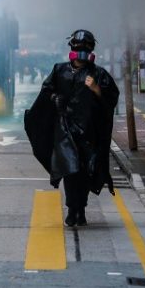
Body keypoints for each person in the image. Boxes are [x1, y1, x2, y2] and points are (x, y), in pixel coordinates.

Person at [24, 29, 120, 227]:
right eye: (78, 47)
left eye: (86, 48)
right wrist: (54, 98)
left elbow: (111, 99)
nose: (81, 51)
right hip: (64, 129)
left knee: (84, 171)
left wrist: (96, 90)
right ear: (72, 49)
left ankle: (81, 209)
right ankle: (71, 209)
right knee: (69, 170)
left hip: (88, 130)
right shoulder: (59, 70)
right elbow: (46, 90)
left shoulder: (98, 74)